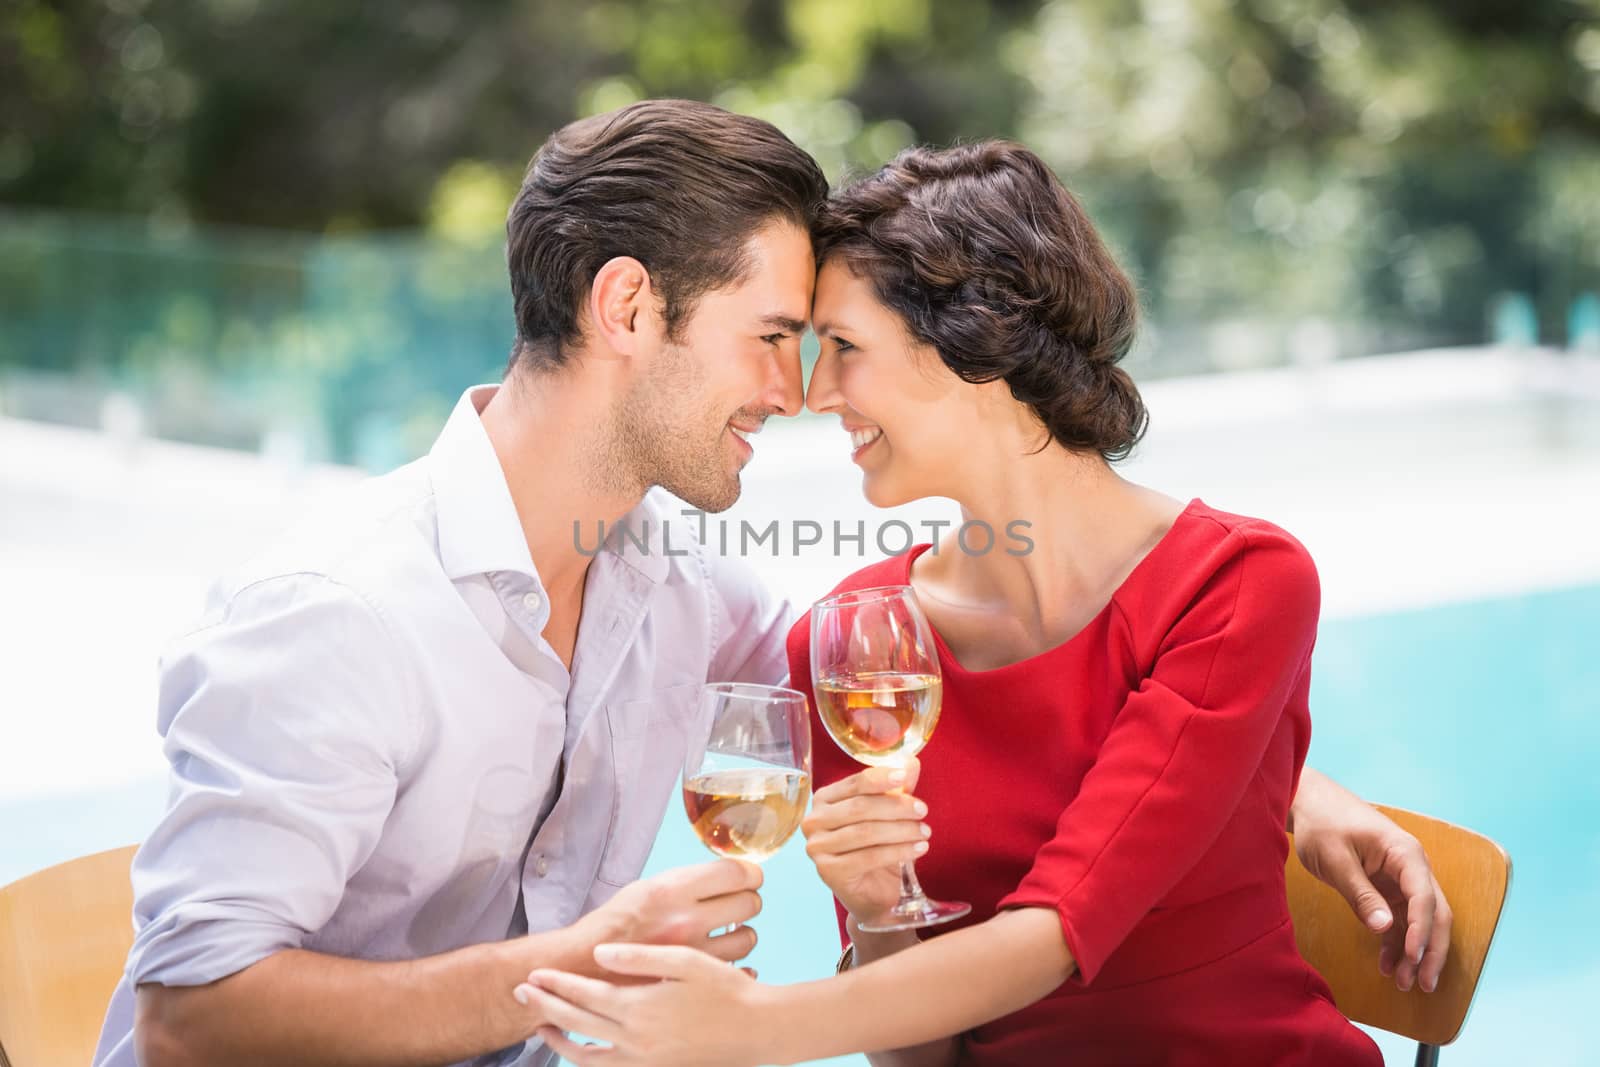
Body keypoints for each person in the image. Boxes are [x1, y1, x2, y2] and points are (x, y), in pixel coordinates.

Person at [97, 102, 1445, 1067]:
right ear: (628, 310)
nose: (797, 394)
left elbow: (997, 692)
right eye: (776, 339)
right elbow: (192, 1020)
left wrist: (1280, 775)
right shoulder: (335, 608)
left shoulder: (681, 607)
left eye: (827, 346)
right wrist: (571, 971)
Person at [516, 141, 1451, 1067]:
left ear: (977, 341)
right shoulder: (855, 640)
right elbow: (923, 1060)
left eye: (843, 346)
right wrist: (881, 909)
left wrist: (755, 1028)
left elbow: (1059, 927)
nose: (812, 392)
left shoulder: (1237, 581)